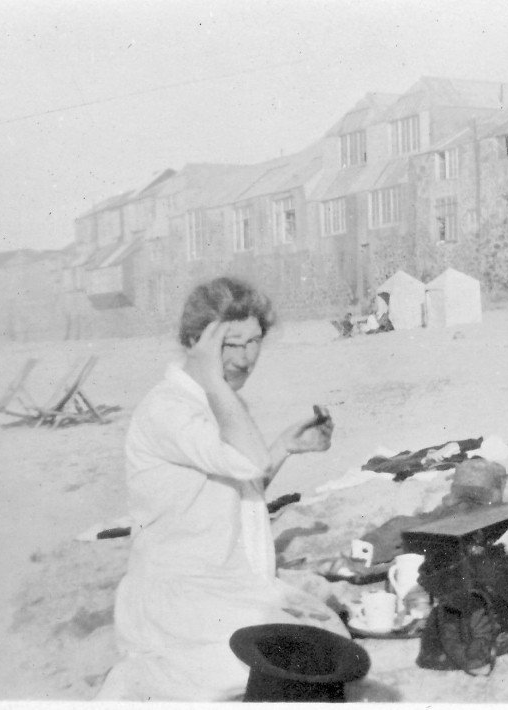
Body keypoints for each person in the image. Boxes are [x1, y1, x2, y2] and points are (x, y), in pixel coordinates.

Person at [96, 276, 348, 702]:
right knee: (275, 666)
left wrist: (284, 446)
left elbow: (239, 490)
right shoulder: (169, 408)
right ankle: (136, 679)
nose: (247, 358)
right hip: (177, 592)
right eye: (232, 344)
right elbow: (247, 461)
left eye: (255, 342)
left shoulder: (216, 401)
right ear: (198, 342)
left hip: (226, 582)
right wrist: (212, 378)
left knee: (327, 643)